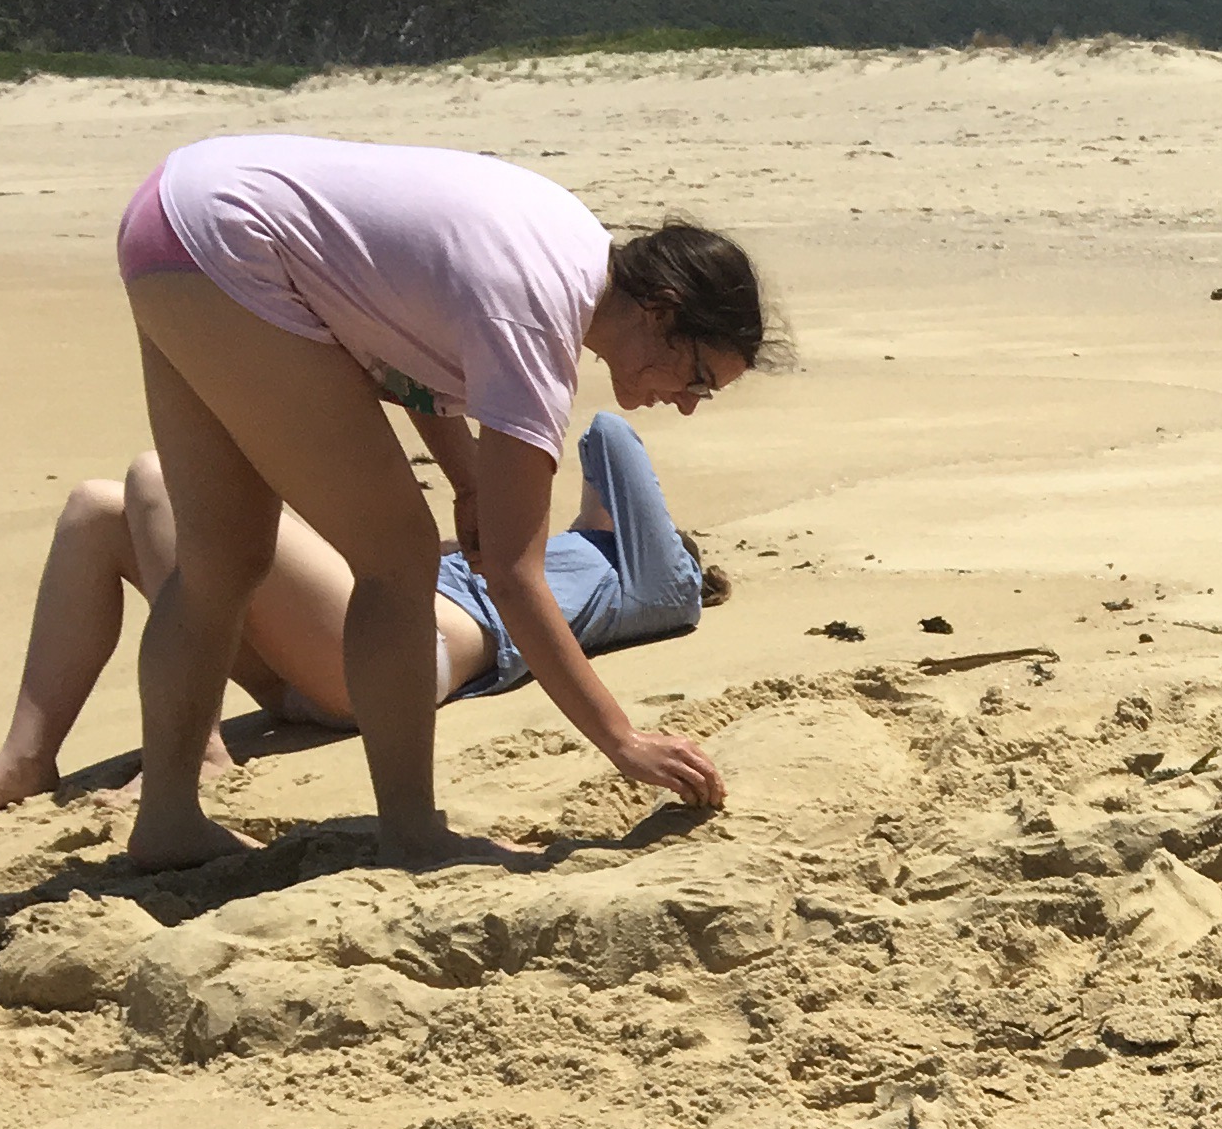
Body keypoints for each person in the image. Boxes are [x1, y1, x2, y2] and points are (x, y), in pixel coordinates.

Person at [102, 131, 768, 869]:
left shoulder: (571, 248)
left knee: (221, 559)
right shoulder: (540, 318)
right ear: (663, 311)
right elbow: (514, 577)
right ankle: (413, 831)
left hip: (171, 215)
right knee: (399, 558)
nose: (688, 405)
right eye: (700, 379)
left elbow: (407, 345)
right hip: (232, 244)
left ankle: (167, 820)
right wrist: (623, 741)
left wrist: (469, 479)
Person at [0, 411, 727, 829]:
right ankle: (28, 755)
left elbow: (608, 436)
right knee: (94, 508)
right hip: (332, 656)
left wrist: (615, 530)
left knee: (160, 477)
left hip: (406, 657)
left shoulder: (648, 582)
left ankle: (197, 745)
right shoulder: (559, 551)